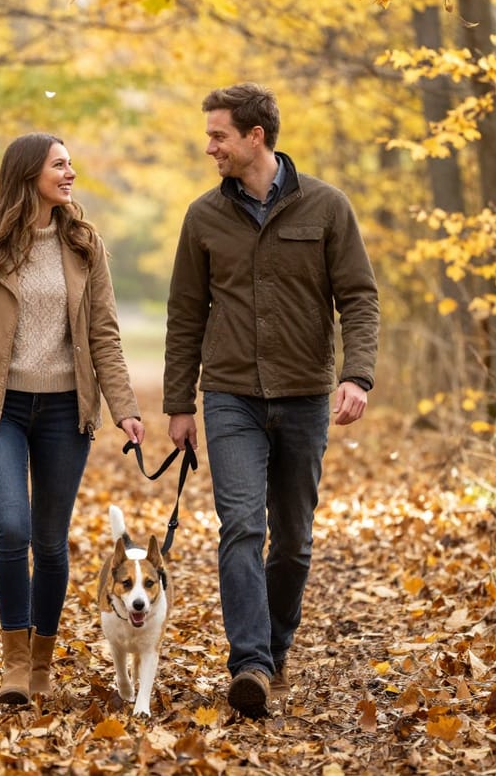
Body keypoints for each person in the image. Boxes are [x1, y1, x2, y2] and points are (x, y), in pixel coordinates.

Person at [164, 83, 379, 719]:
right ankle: (251, 664)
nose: (210, 147)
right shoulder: (203, 217)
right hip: (230, 395)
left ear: (254, 136)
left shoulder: (327, 206)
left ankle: (276, 648)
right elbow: (185, 314)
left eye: (219, 135)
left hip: (306, 394)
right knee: (241, 526)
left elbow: (359, 298)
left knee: (293, 541)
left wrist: (356, 375)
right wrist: (179, 403)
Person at [0, 132, 144, 705]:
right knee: (13, 529)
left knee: (49, 543)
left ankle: (42, 661)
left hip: (65, 411)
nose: (70, 174)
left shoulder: (85, 245)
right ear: (28, 175)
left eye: (71, 164)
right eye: (59, 165)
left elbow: (105, 335)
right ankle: (15, 662)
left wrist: (125, 408)